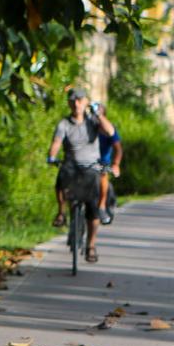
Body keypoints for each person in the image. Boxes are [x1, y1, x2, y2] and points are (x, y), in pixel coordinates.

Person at [47, 87, 116, 263]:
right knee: (61, 176)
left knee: (92, 209)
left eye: (80, 100)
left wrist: (99, 115)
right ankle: (61, 212)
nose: (77, 104)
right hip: (72, 167)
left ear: (86, 102)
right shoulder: (64, 124)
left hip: (90, 168)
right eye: (73, 100)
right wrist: (52, 157)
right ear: (70, 103)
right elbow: (56, 142)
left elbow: (110, 132)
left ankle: (91, 245)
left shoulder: (93, 122)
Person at [96, 103, 122, 224]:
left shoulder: (109, 129)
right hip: (86, 162)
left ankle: (102, 206)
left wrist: (116, 164)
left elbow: (118, 148)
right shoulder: (87, 127)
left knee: (103, 175)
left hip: (102, 163)